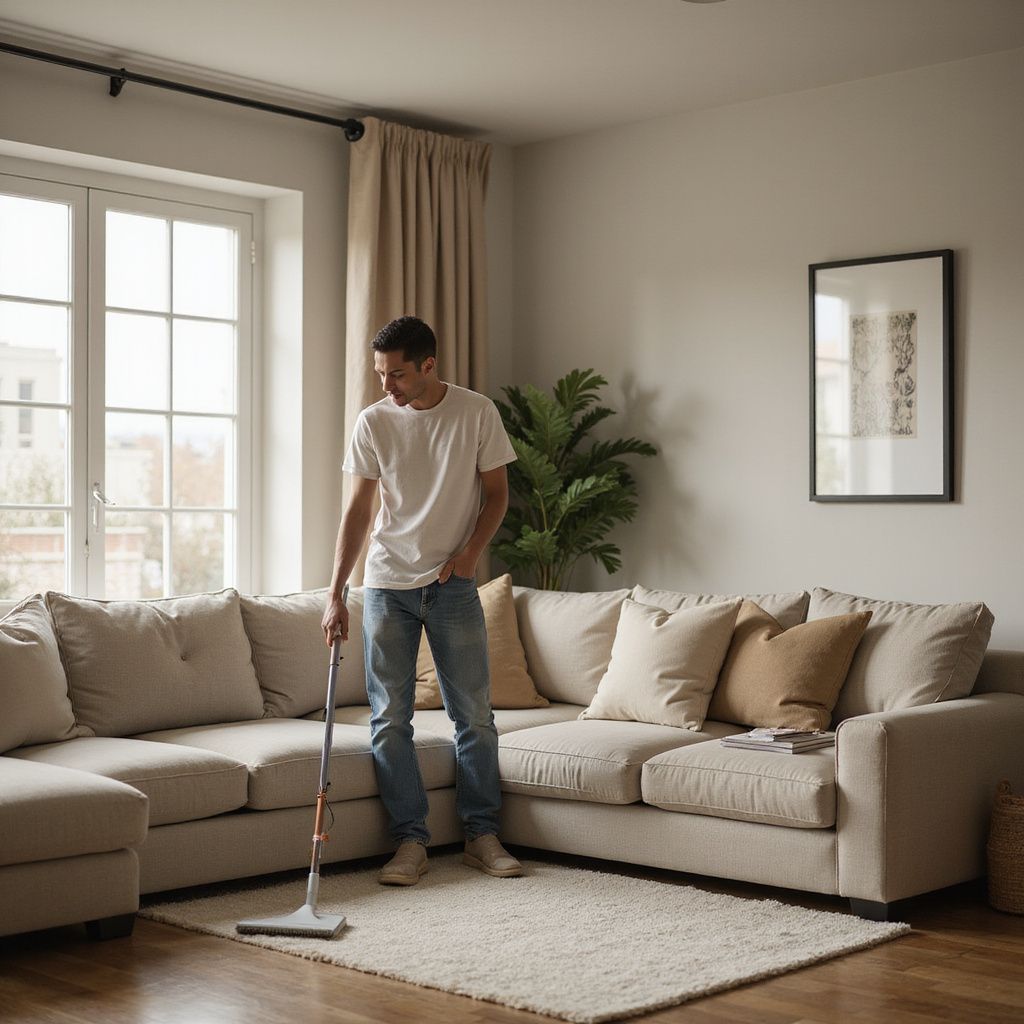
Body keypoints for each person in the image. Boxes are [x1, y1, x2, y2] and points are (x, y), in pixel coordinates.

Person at [321, 315, 523, 886]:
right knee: (389, 719)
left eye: (398, 374)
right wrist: (335, 593)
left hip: (452, 585)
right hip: (386, 585)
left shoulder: (476, 411)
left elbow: (497, 495)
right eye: (381, 374)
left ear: (429, 365)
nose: (387, 386)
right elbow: (358, 512)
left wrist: (468, 558)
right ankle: (410, 843)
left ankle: (482, 835)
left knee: (475, 718)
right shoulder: (374, 422)